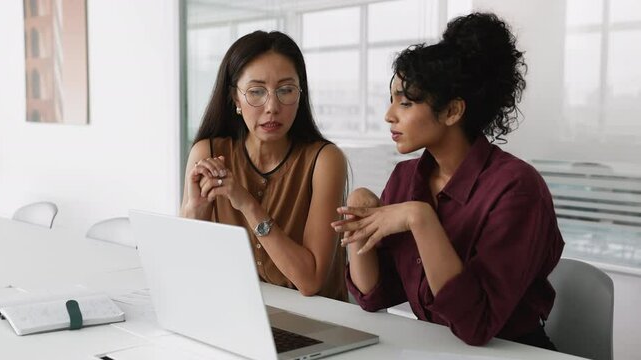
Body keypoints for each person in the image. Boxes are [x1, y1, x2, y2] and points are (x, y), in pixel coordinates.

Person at [331, 13, 564, 348]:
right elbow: (373, 296)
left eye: (406, 102)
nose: (389, 115)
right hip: (436, 348)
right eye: (392, 99)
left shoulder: (518, 189)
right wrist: (358, 214)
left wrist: (419, 217)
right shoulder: (406, 177)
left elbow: (476, 326)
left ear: (453, 111)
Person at [181, 31, 348, 301]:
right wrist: (195, 211)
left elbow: (310, 281)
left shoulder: (324, 160)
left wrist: (247, 204)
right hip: (241, 309)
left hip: (318, 321)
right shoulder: (208, 152)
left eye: (285, 90)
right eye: (256, 92)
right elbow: (183, 269)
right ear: (235, 98)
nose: (272, 106)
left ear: (300, 93)